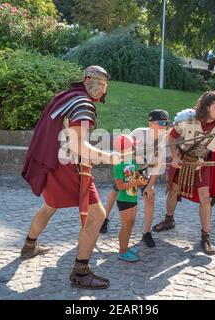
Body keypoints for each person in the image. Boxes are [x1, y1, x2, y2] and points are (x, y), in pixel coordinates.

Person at [20, 66, 120, 289]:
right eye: (100, 83)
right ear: (87, 79)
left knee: (49, 206)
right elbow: (77, 143)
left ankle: (29, 246)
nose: (103, 90)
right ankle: (81, 272)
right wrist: (108, 156)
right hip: (70, 167)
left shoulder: (66, 97)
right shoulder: (82, 103)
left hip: (53, 162)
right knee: (97, 215)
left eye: (106, 85)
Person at [153, 91, 215, 255]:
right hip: (182, 160)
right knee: (174, 190)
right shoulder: (188, 118)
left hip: (202, 163)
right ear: (206, 107)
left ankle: (206, 237)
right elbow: (172, 137)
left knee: (205, 198)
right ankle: (169, 220)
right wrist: (175, 158)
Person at [101, 110, 170, 248]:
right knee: (116, 190)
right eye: (161, 123)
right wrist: (127, 170)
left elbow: (158, 164)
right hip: (129, 166)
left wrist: (150, 186)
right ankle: (104, 219)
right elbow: (123, 146)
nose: (164, 126)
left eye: (166, 123)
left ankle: (147, 233)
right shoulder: (139, 133)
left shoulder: (163, 140)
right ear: (150, 123)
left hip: (143, 170)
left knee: (150, 196)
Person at [112, 134, 148, 262]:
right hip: (124, 199)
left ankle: (125, 247)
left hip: (133, 197)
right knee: (125, 226)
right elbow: (120, 186)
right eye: (132, 147)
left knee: (131, 224)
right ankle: (122, 252)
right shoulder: (117, 165)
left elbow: (135, 173)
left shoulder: (131, 161)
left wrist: (141, 178)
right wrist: (137, 183)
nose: (134, 149)